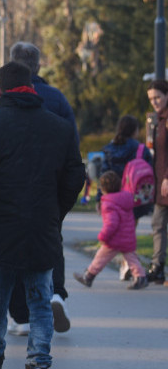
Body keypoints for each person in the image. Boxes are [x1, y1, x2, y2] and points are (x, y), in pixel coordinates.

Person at [0, 62, 84, 369]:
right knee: (41, 299)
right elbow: (74, 176)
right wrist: (57, 211)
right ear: (30, 86)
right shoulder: (58, 127)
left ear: (0, 90)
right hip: (42, 225)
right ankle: (37, 363)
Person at [0, 42, 77, 335]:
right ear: (38, 66)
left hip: (5, 194)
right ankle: (54, 294)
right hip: (47, 191)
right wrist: (62, 202)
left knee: (9, 254)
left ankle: (19, 315)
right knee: (50, 243)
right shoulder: (56, 99)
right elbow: (73, 153)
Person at [73, 171, 149, 290]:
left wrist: (103, 236)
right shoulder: (126, 198)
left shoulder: (109, 203)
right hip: (127, 237)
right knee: (132, 258)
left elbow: (111, 224)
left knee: (100, 258)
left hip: (114, 239)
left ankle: (88, 276)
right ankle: (140, 277)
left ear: (103, 189)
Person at [145, 79, 168, 285]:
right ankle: (157, 266)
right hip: (160, 182)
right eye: (151, 98)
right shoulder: (158, 120)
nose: (154, 101)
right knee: (158, 224)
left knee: (160, 224)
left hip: (166, 180)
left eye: (158, 97)